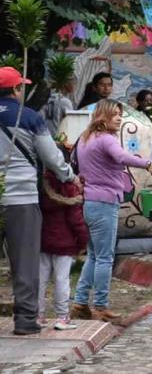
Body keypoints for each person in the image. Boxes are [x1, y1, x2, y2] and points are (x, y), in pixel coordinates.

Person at [0, 67, 78, 335]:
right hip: (21, 198)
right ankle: (24, 319)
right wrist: (69, 175)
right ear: (16, 90)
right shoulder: (30, 117)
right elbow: (52, 158)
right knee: (25, 260)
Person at [70, 100, 152, 323]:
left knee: (94, 255)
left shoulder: (85, 138)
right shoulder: (106, 139)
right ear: (102, 116)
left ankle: (80, 302)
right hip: (105, 202)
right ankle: (100, 306)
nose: (119, 118)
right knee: (104, 258)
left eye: (120, 114)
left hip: (90, 202)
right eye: (114, 115)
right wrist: (148, 165)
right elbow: (122, 157)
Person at [38, 170, 88, 330]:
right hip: (64, 242)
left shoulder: (40, 186)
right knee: (62, 280)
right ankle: (62, 317)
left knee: (40, 280)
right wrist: (83, 241)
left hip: (43, 240)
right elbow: (75, 219)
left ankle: (37, 315)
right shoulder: (68, 187)